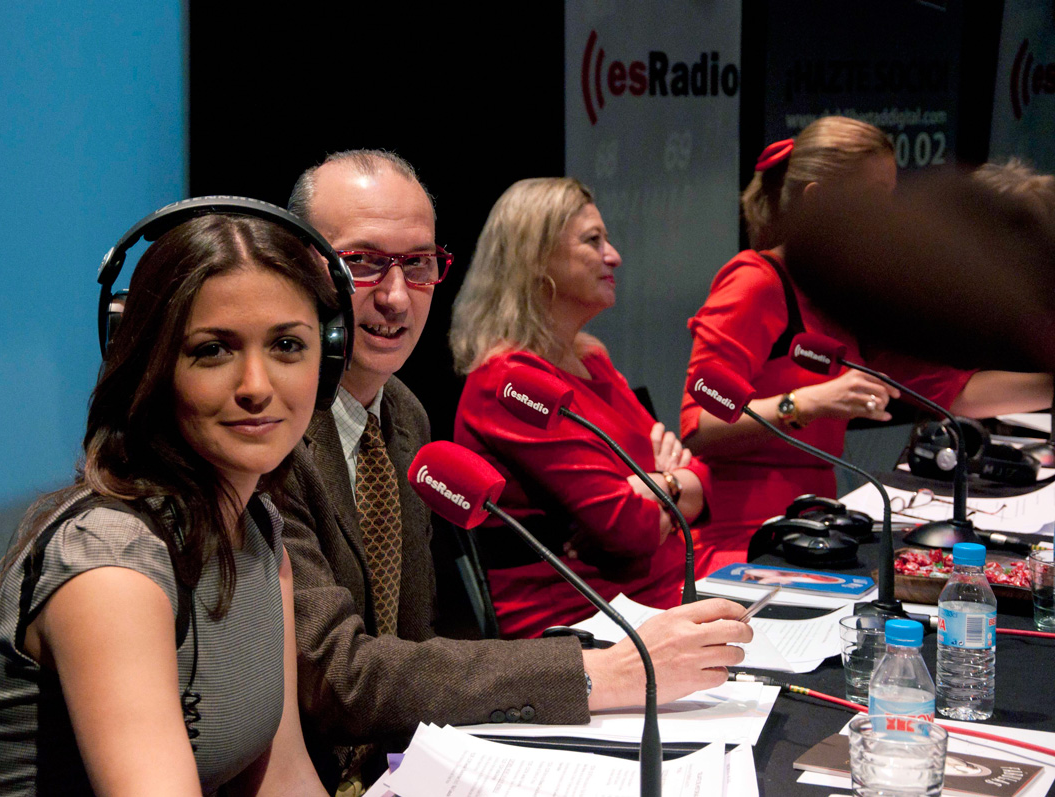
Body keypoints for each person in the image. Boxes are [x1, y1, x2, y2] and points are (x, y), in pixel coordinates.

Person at [270, 150, 753, 791]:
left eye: (417, 264)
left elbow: (413, 640)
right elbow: (337, 676)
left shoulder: (405, 415)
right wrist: (597, 675)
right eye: (362, 262)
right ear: (303, 266)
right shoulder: (268, 428)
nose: (395, 296)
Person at [0, 213, 330, 795]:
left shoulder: (260, 531)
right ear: (150, 364)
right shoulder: (109, 566)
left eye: (287, 345)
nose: (256, 385)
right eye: (213, 350)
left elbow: (283, 778)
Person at [681, 115, 1054, 573]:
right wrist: (808, 402)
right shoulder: (755, 284)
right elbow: (700, 427)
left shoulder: (847, 297)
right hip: (746, 540)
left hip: (818, 526)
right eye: (876, 197)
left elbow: (954, 392)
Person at [448, 176, 711, 639]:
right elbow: (626, 528)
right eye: (593, 241)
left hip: (660, 591)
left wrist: (657, 484)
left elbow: (702, 478)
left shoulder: (593, 359)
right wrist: (670, 482)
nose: (614, 256)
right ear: (535, 257)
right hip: (578, 620)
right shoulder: (507, 383)